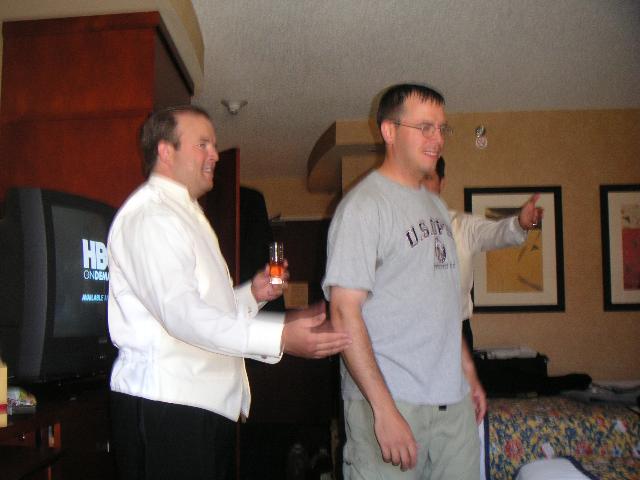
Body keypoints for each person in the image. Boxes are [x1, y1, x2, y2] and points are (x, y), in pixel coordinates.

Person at [107, 105, 351, 480]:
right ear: (165, 151)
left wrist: (254, 294)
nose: (215, 155)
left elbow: (204, 310)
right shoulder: (153, 216)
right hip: (168, 409)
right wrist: (281, 336)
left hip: (195, 407)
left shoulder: (185, 214)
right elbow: (184, 316)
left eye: (214, 144)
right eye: (202, 144)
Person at [322, 84, 486, 479]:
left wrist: (467, 372)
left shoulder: (435, 208)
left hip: (452, 406)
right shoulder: (363, 207)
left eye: (442, 128)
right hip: (392, 403)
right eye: (425, 127)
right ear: (389, 131)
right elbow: (343, 313)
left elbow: (442, 302)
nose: (437, 139)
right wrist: (384, 410)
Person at [423, 157, 543, 351]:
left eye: (428, 177)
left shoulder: (462, 226)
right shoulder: (391, 228)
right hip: (405, 334)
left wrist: (519, 224)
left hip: (454, 334)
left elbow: (496, 232)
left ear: (441, 183)